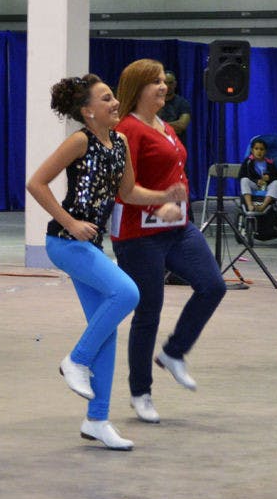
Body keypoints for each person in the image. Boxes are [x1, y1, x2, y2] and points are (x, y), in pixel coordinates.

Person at [27, 74, 186, 449]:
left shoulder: (121, 142)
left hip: (91, 246)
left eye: (113, 97)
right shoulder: (79, 141)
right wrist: (70, 222)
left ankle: (97, 419)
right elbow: (36, 183)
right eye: (106, 99)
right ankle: (76, 361)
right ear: (87, 111)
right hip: (65, 242)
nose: (116, 103)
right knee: (128, 293)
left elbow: (128, 192)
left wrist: (164, 196)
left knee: (109, 329)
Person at [111, 59, 227, 424]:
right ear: (138, 89)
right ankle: (140, 392)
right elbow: (124, 190)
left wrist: (172, 203)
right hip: (138, 234)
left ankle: (174, 352)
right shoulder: (126, 131)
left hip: (177, 226)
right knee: (148, 312)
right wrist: (159, 201)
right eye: (155, 83)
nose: (163, 87)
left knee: (212, 285)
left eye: (164, 81)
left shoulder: (164, 126)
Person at [238, 138, 277, 214]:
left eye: (262, 149)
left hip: (266, 186)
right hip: (254, 185)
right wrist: (256, 181)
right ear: (252, 150)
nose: (259, 151)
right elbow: (241, 175)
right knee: (244, 180)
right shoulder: (248, 162)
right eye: (256, 149)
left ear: (265, 151)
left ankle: (263, 206)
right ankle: (249, 205)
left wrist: (269, 178)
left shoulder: (270, 163)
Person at [157, 70, 191, 146]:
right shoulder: (154, 103)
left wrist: (157, 126)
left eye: (171, 83)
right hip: (158, 146)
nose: (168, 86)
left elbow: (182, 125)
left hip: (176, 146)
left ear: (175, 84)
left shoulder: (183, 103)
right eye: (165, 83)